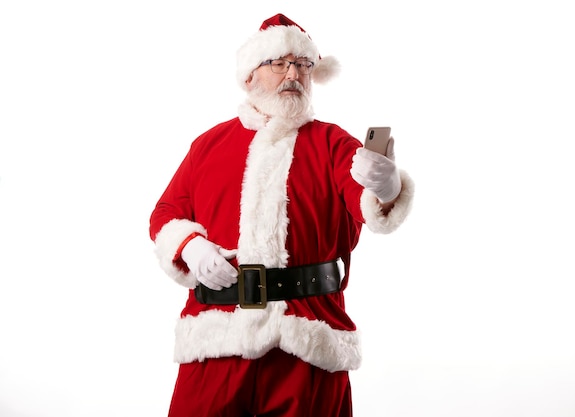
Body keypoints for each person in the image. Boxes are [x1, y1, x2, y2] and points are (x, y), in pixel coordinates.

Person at [149, 13, 414, 417]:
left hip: (306, 343)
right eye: (279, 63)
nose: (293, 74)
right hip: (215, 340)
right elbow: (166, 213)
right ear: (250, 76)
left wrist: (386, 186)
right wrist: (190, 247)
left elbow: (369, 202)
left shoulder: (332, 142)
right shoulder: (208, 144)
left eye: (303, 65)